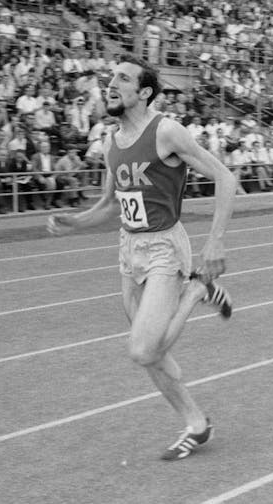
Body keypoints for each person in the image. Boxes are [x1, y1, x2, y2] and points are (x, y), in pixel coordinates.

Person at [47, 56, 236, 461]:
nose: (111, 83)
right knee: (152, 352)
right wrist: (75, 223)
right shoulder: (111, 141)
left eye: (123, 78)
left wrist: (215, 243)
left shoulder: (166, 131)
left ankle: (197, 290)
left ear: (144, 92)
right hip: (129, 248)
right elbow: (108, 205)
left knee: (142, 350)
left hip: (164, 246)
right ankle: (196, 423)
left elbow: (226, 177)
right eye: (111, 77)